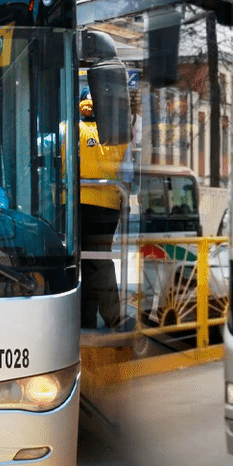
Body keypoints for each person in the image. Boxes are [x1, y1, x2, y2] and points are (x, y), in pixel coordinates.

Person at [78, 91, 129, 329]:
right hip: (108, 203)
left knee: (86, 261)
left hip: (77, 202)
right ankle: (107, 317)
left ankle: (94, 317)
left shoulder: (69, 129)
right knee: (99, 260)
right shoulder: (115, 134)